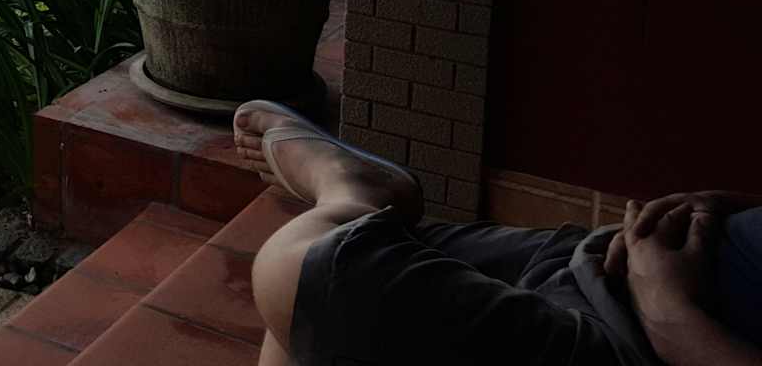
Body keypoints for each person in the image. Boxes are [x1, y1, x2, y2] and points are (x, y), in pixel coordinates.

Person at [234, 100, 762, 366]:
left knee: (315, 273)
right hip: (611, 266)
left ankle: (353, 190)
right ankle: (357, 203)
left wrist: (671, 313)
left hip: (647, 339)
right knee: (327, 298)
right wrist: (731, 208)